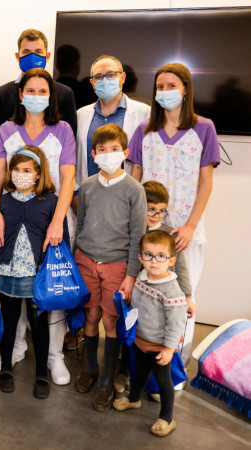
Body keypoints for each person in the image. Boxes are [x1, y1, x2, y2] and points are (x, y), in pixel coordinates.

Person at [128, 62, 220, 369]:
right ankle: (143, 365)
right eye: (160, 87)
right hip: (149, 232)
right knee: (146, 299)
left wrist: (190, 226)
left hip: (184, 233)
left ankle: (175, 367)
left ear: (186, 89)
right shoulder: (144, 132)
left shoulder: (203, 128)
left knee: (182, 299)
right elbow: (135, 178)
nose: (165, 92)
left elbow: (206, 181)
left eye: (171, 86)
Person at [0, 68, 75, 385]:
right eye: (31, 90)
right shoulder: (6, 129)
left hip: (48, 219)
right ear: (20, 94)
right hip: (13, 217)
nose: (36, 96)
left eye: (43, 91)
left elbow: (68, 179)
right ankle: (16, 347)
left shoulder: (63, 129)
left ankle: (54, 357)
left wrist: (57, 222)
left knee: (51, 290)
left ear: (50, 96)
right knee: (16, 288)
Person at [0, 145, 69, 400]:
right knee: (9, 323)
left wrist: (58, 275)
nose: (20, 174)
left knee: (38, 324)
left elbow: (60, 241)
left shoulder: (51, 202)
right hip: (6, 273)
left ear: (39, 174)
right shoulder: (3, 202)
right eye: (16, 169)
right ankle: (6, 368)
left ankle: (41, 372)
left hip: (37, 277)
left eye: (27, 170)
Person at [73, 124, 146, 411]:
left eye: (114, 149)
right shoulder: (88, 186)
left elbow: (138, 236)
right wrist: (74, 256)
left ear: (125, 153)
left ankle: (106, 378)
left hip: (117, 264)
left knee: (110, 321)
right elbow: (79, 226)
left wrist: (130, 275)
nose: (108, 154)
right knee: (90, 314)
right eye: (102, 150)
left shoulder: (134, 189)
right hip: (86, 260)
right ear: (93, 154)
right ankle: (91, 367)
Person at [114, 181, 195, 395]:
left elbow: (182, 269)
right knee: (131, 331)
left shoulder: (170, 234)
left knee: (156, 340)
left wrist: (187, 296)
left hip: (160, 300)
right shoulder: (133, 229)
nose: (156, 215)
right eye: (151, 209)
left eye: (161, 211)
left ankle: (156, 384)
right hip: (137, 294)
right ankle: (124, 370)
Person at [113, 230, 187, 437]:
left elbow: (176, 323)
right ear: (140, 257)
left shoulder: (172, 291)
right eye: (148, 255)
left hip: (159, 346)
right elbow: (139, 304)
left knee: (164, 382)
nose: (154, 261)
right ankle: (134, 399)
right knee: (140, 373)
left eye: (161, 256)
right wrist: (124, 299)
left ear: (171, 260)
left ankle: (167, 417)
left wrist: (169, 349)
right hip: (140, 340)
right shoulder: (142, 277)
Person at [75, 55, 150, 189]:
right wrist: (76, 193)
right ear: (92, 83)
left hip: (126, 196)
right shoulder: (80, 115)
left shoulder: (144, 113)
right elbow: (74, 159)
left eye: (111, 74)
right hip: (88, 196)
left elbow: (148, 161)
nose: (105, 80)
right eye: (98, 76)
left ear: (122, 78)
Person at [0, 29, 77, 141]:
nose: (32, 57)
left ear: (47, 56)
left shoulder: (65, 94)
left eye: (38, 52)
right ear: (18, 56)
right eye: (26, 52)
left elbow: (70, 140)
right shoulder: (1, 94)